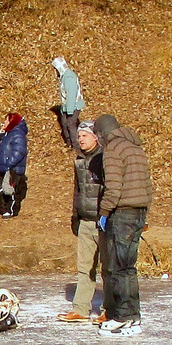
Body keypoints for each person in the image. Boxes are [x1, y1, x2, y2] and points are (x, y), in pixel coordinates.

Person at [90, 114, 152, 337]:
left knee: (118, 267)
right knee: (129, 267)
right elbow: (147, 185)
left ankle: (123, 316)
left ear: (102, 134)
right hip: (138, 211)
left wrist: (104, 212)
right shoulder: (135, 148)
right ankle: (132, 314)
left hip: (122, 213)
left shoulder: (113, 150)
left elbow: (114, 188)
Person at [58, 118, 105, 325]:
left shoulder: (105, 159)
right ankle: (80, 309)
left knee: (108, 269)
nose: (80, 139)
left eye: (84, 136)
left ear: (95, 137)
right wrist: (75, 216)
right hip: (86, 221)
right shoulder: (79, 161)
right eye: (78, 136)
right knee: (85, 267)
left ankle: (108, 309)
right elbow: (78, 192)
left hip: (104, 221)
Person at [0, 112, 28, 217]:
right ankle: (2, 209)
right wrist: (0, 133)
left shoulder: (18, 135)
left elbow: (19, 151)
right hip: (3, 167)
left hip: (13, 168)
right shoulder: (7, 134)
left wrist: (9, 163)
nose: (4, 122)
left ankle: (11, 210)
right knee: (0, 188)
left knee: (10, 190)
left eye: (7, 120)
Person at [51, 57, 85, 146]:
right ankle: (69, 144)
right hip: (67, 106)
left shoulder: (69, 77)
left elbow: (71, 94)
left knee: (71, 125)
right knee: (65, 123)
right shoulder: (64, 76)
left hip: (74, 106)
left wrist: (70, 110)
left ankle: (76, 146)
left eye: (55, 69)